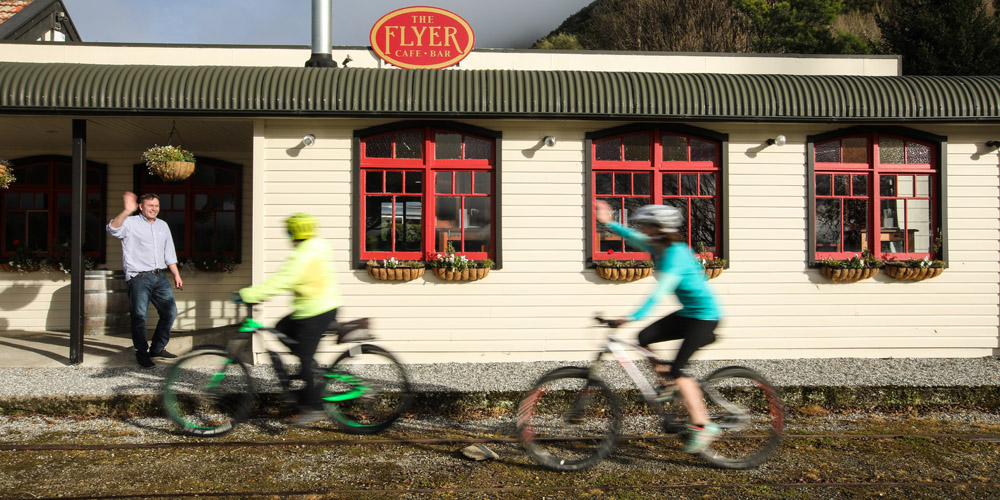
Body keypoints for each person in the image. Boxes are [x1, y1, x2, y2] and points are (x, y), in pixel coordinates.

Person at [594, 200, 722, 453]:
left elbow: (660, 293)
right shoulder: (659, 248)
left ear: (661, 228)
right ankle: (670, 384)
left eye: (648, 226)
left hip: (705, 317)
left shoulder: (675, 255)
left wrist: (631, 316)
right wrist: (608, 224)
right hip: (689, 313)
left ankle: (703, 425)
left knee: (679, 369)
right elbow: (633, 237)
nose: (644, 229)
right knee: (644, 336)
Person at [238, 213, 342, 426]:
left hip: (316, 311)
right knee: (281, 328)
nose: (287, 235)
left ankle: (313, 407)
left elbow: (281, 282)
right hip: (316, 307)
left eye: (288, 231)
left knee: (303, 356)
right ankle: (310, 369)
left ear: (295, 232)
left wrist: (247, 295)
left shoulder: (302, 256)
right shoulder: (319, 245)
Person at [107, 192, 183, 369]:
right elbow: (112, 228)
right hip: (139, 277)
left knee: (170, 312)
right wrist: (126, 211)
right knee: (139, 317)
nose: (154, 209)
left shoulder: (163, 226)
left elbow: (169, 253)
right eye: (150, 206)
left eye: (156, 206)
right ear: (141, 207)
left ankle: (157, 348)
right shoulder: (130, 223)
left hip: (160, 276)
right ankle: (141, 353)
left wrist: (176, 275)